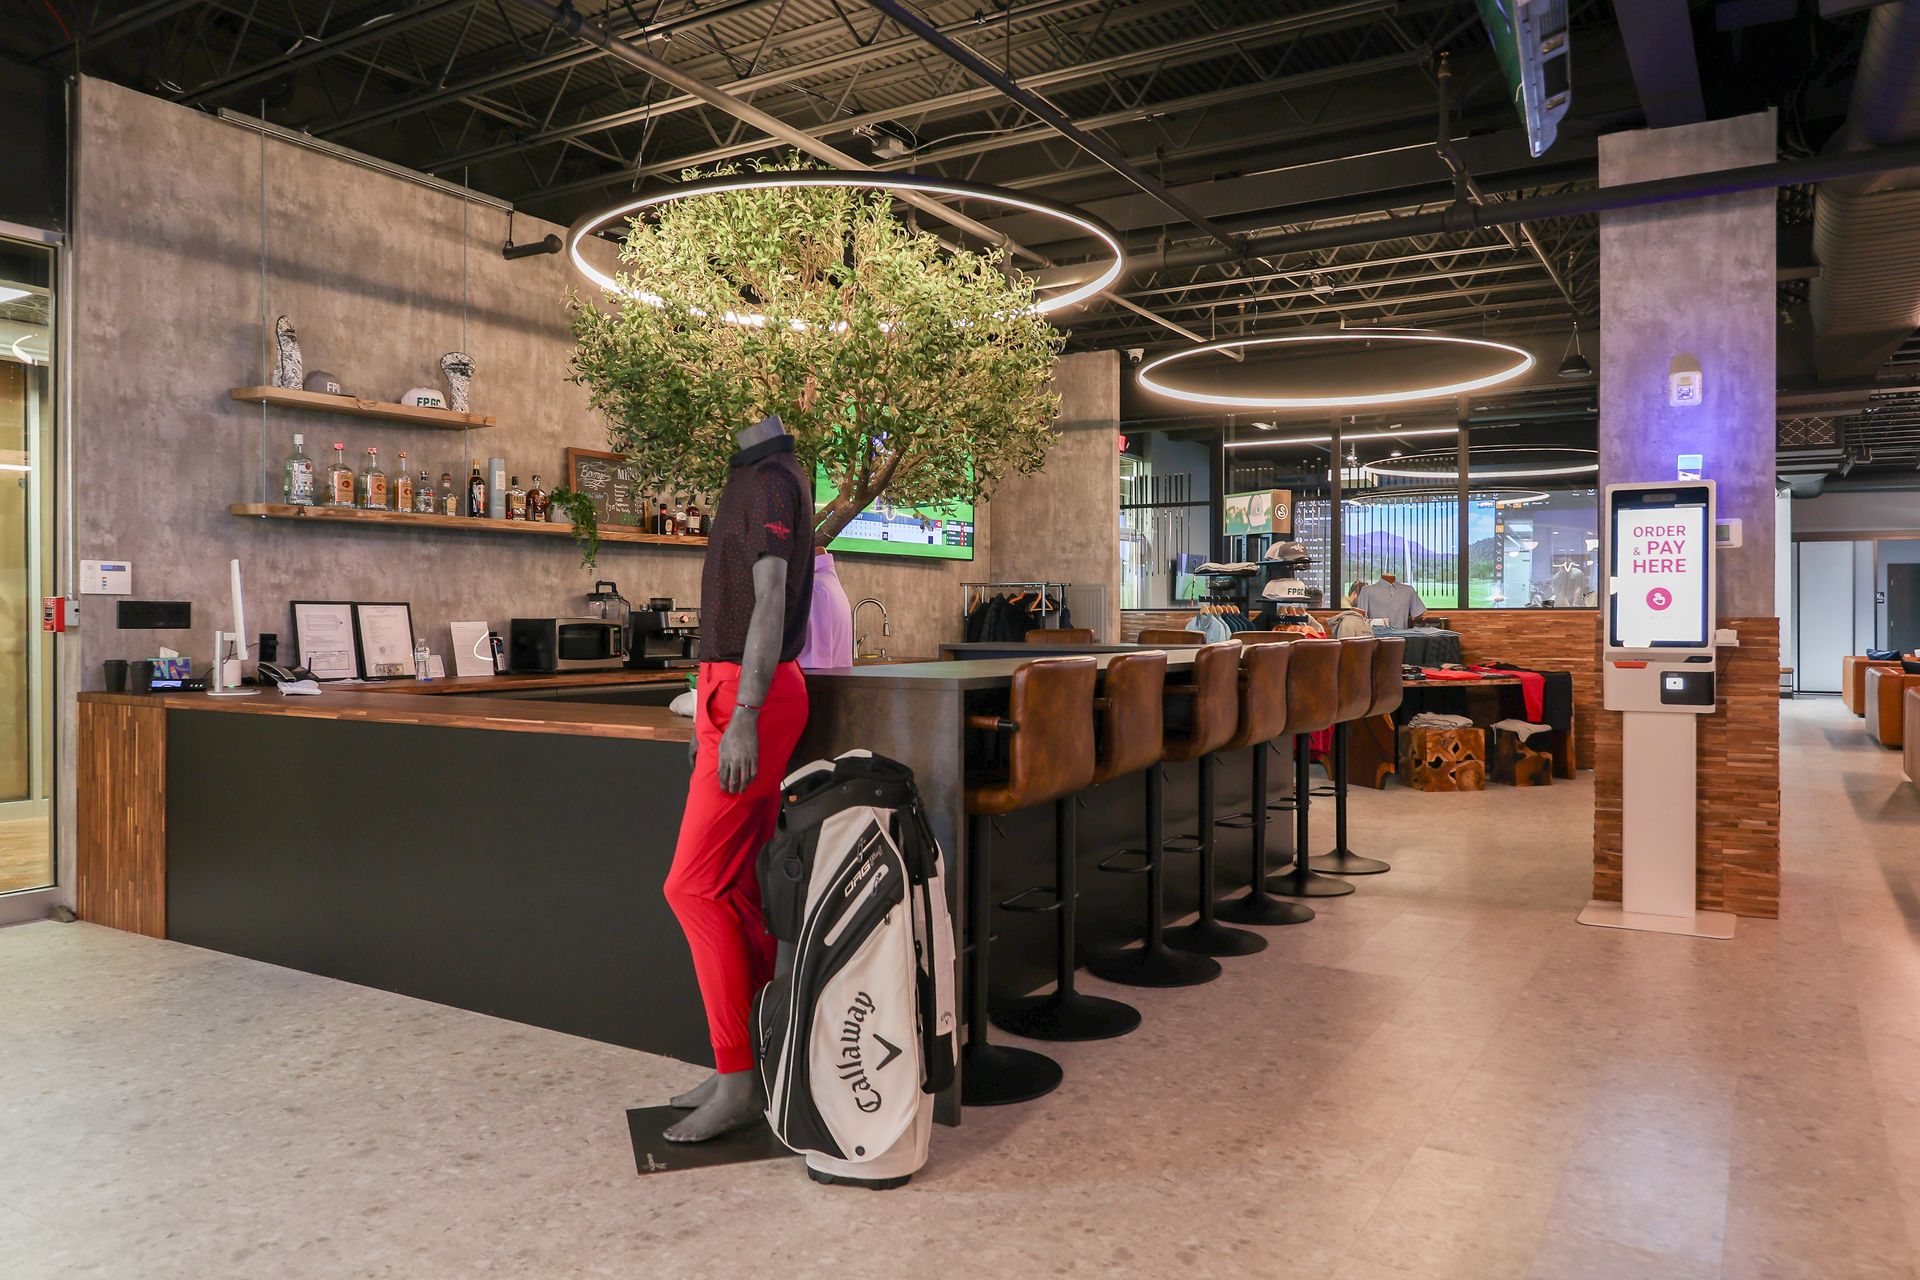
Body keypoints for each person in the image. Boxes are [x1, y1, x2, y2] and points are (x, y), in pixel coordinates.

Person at [660, 414, 815, 1143]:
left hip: (750, 694)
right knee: (732, 891)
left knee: (690, 887)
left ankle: (736, 1081)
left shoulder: (772, 482)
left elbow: (772, 598)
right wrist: (714, 717)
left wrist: (744, 712)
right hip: (729, 691)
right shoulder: (758, 477)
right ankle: (751, 1064)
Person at [1353, 572, 1427, 629]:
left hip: (1402, 637)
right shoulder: (1367, 590)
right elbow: (1361, 617)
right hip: (1376, 637)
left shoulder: (1408, 590)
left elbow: (1418, 612)